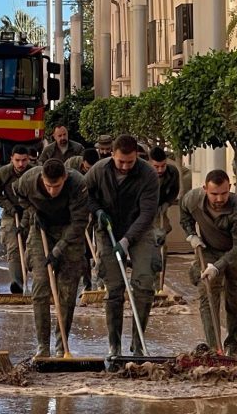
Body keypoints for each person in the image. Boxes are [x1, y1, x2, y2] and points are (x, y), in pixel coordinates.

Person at [85, 134, 159, 357]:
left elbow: (147, 213)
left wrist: (127, 240)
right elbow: (84, 195)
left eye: (130, 161)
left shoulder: (148, 175)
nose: (125, 166)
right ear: (112, 155)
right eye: (121, 162)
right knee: (115, 288)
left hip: (139, 230)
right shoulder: (99, 170)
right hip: (107, 230)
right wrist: (97, 211)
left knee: (144, 284)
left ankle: (138, 346)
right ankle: (114, 345)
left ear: (137, 155)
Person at [15, 159, 89, 359]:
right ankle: (42, 346)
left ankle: (61, 346)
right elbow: (20, 196)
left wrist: (59, 249)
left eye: (56, 186)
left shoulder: (78, 184)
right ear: (41, 178)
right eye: (48, 186)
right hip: (41, 230)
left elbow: (80, 222)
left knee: (67, 290)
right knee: (40, 288)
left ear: (65, 178)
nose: (52, 191)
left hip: (70, 231)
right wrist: (32, 212)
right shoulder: (28, 180)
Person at [179, 169, 237, 358]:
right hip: (209, 249)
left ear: (230, 188)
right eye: (214, 194)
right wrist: (191, 234)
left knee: (235, 300)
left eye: (224, 193)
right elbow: (184, 214)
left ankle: (231, 344)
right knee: (208, 295)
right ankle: (214, 348)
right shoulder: (193, 199)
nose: (219, 198)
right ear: (205, 189)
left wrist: (218, 266)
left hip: (236, 254)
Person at [0, 145, 34, 294]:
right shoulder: (3, 173)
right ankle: (17, 283)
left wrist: (24, 221)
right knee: (14, 247)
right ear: (11, 159)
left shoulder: (34, 173)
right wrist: (9, 206)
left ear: (28, 159)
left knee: (33, 247)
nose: (21, 164)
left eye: (24, 160)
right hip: (11, 214)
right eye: (17, 160)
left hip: (32, 213)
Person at [64, 148, 101, 293]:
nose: (90, 171)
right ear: (82, 163)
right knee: (81, 247)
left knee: (96, 247)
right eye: (87, 168)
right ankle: (87, 283)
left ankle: (97, 283)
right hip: (74, 208)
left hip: (93, 207)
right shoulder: (71, 165)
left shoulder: (100, 169)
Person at [148, 146, 181, 244]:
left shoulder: (172, 172)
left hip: (161, 206)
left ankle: (161, 253)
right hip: (144, 208)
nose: (160, 170)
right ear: (149, 163)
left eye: (163, 166)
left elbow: (174, 190)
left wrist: (167, 202)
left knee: (164, 229)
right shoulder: (141, 174)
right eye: (156, 166)